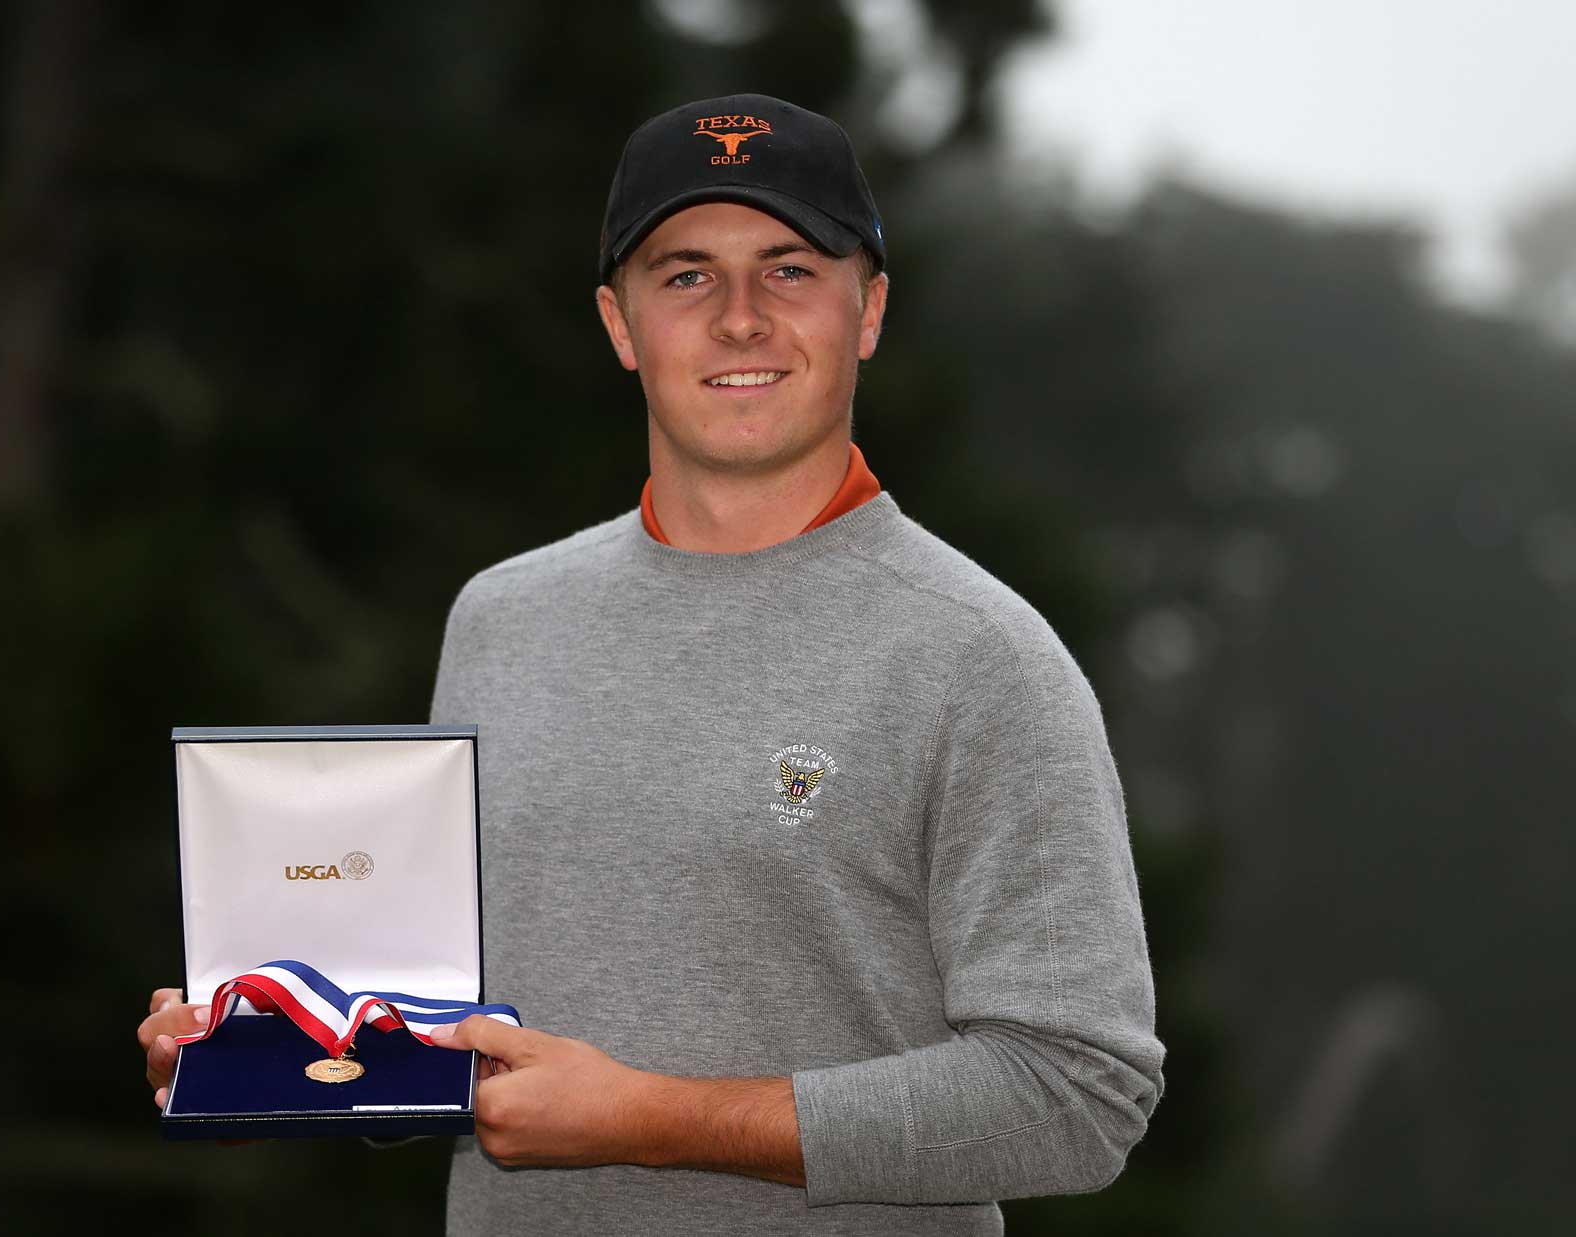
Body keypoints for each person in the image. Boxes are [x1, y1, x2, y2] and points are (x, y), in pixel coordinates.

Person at [140, 93, 1163, 1235]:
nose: (737, 319)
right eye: (683, 275)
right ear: (619, 325)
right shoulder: (501, 618)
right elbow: (467, 1044)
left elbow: (1079, 1096)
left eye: (788, 269)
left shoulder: (980, 657)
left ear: (867, 309)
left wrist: (651, 1117)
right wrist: (266, 1058)